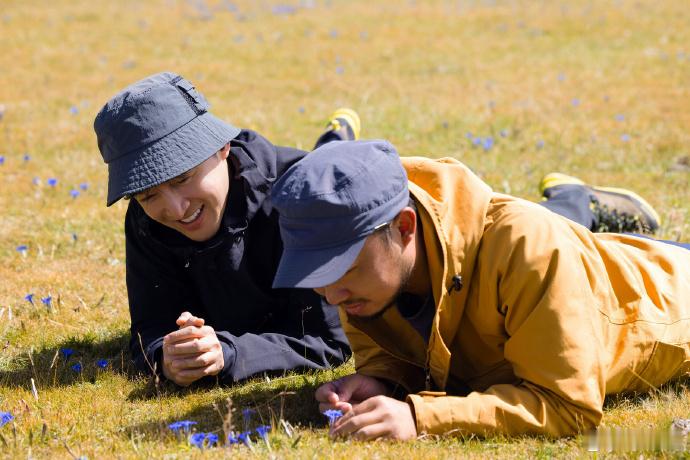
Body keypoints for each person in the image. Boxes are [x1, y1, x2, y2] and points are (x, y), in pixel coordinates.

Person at [270, 139, 690, 440]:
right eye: (315, 275)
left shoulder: (527, 246)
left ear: (404, 227)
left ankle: (577, 197)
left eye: (343, 268)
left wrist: (422, 418)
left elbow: (568, 407)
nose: (331, 296)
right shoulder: (359, 279)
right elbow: (405, 354)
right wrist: (382, 380)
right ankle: (574, 196)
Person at [93, 71, 360, 386]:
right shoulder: (145, 218)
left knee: (330, 162)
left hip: (317, 176)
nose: (176, 209)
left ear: (223, 148)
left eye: (182, 178)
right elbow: (151, 327)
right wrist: (166, 358)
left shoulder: (305, 205)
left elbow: (328, 341)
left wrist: (234, 353)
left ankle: (337, 135)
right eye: (148, 194)